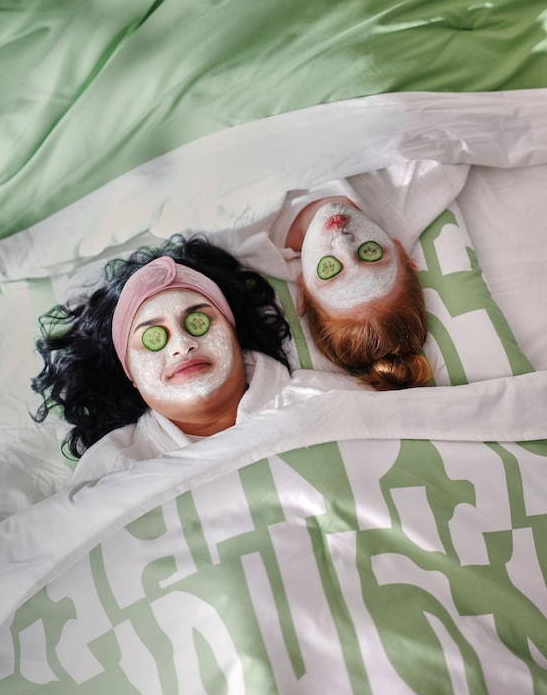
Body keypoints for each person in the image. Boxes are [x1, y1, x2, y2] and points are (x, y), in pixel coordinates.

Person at [31, 234, 293, 476]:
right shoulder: (111, 469)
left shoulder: (315, 399)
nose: (182, 344)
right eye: (153, 337)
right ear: (130, 373)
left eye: (197, 321)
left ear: (234, 336)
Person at [204, 160, 469, 391]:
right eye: (370, 253)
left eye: (331, 268)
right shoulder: (411, 187)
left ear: (304, 289)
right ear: (403, 254)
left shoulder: (234, 241)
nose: (342, 242)